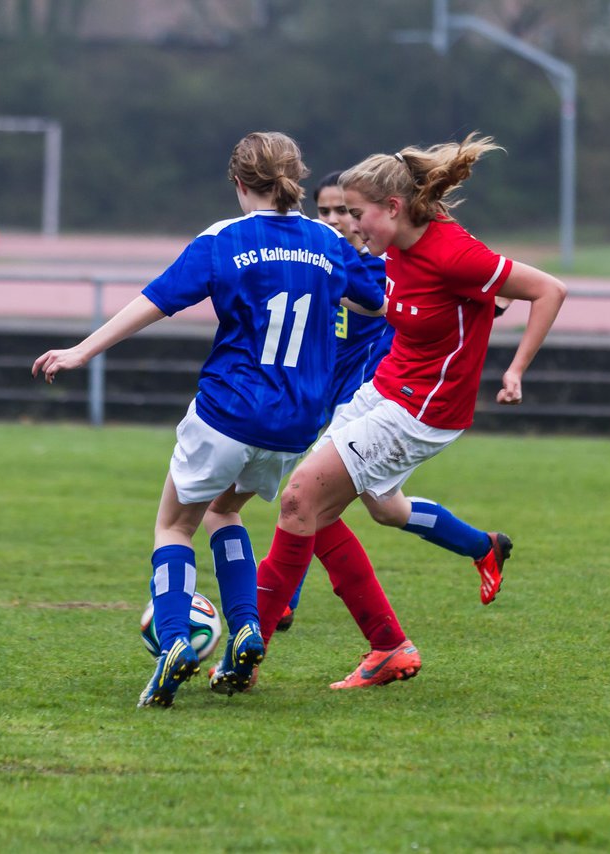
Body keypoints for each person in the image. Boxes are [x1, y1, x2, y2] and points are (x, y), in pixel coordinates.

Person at [30, 131, 385, 707]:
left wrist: (82, 351)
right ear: (294, 179)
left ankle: (174, 639)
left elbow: (156, 300)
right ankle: (245, 627)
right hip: (295, 424)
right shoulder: (328, 241)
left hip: (231, 409)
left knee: (174, 525)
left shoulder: (225, 240)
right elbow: (378, 301)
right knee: (225, 512)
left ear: (240, 183)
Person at [252, 132, 567, 690]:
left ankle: (248, 651)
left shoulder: (453, 252)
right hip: (384, 391)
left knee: (302, 497)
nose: (349, 224)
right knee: (342, 510)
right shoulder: (393, 247)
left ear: (392, 208)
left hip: (423, 411)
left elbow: (548, 290)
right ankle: (390, 643)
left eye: (355, 213)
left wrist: (514, 369)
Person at [267, 171, 514, 634]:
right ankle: (481, 545)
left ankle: (282, 603)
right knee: (385, 509)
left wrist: (489, 300)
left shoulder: (385, 260)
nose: (336, 220)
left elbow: (459, 283)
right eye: (325, 211)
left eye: (346, 211)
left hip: (380, 396)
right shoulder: (327, 259)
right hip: (329, 390)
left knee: (307, 497)